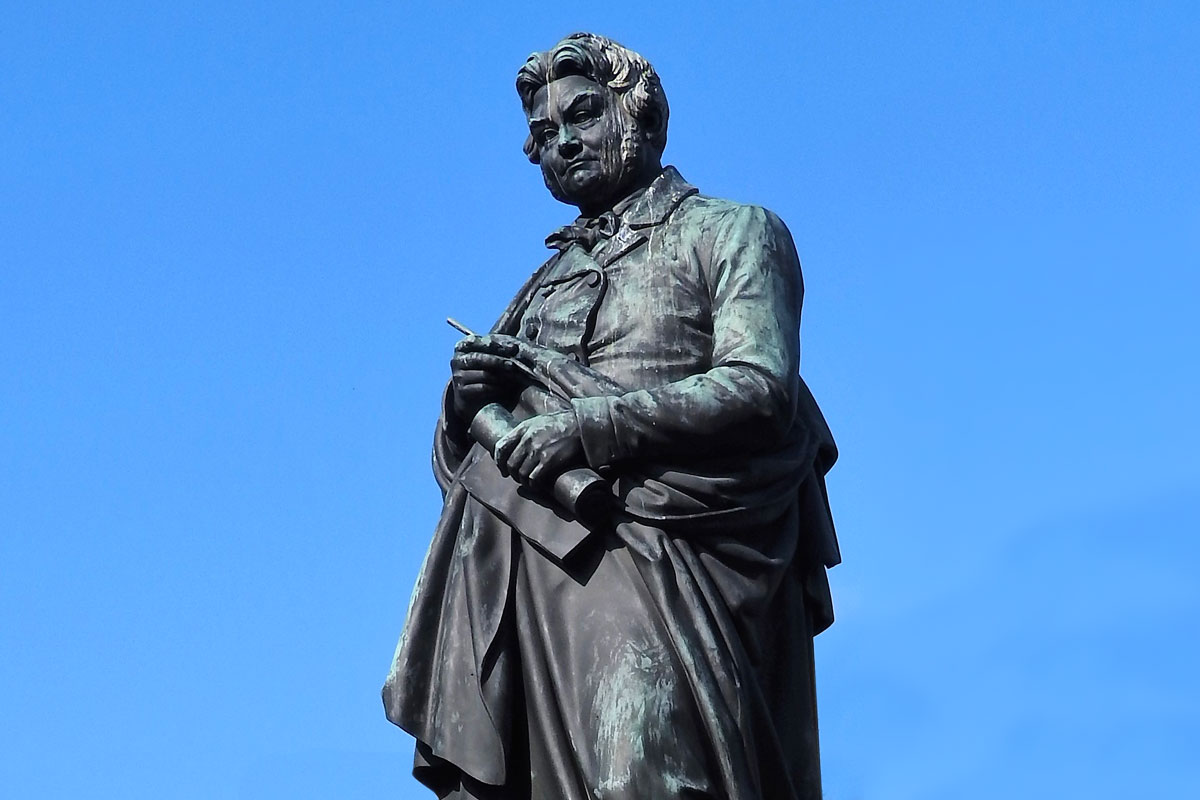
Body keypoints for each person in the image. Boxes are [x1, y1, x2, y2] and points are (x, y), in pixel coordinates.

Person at [383, 32, 840, 800]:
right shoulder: (544, 282)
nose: (561, 143)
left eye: (582, 115)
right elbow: (472, 459)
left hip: (667, 556)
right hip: (534, 561)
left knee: (650, 774)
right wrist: (463, 412)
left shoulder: (732, 231)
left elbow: (761, 385)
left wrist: (591, 428)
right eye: (541, 135)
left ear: (644, 117)